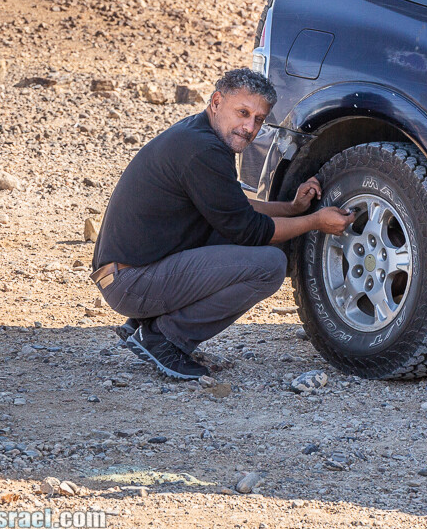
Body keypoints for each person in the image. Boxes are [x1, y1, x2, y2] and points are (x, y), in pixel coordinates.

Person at [90, 67, 353, 379]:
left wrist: (292, 207)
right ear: (216, 102)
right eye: (242, 112)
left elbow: (231, 206)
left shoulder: (202, 134)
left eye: (258, 119)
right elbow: (250, 230)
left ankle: (148, 324)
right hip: (130, 282)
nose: (249, 127)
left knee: (252, 238)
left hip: (133, 273)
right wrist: (314, 221)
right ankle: (163, 337)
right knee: (268, 264)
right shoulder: (202, 150)